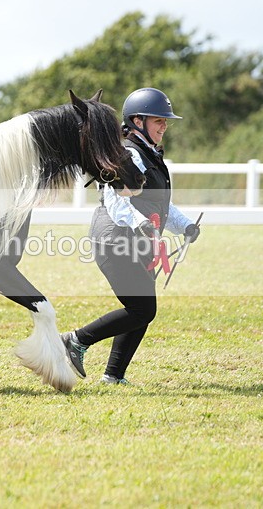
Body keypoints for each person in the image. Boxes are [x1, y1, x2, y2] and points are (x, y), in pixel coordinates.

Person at [61, 87, 200, 385]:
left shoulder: (150, 154)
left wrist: (185, 224)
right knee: (142, 308)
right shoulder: (127, 154)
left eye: (166, 121)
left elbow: (160, 203)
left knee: (142, 309)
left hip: (138, 242)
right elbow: (115, 199)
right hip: (115, 239)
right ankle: (75, 340)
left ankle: (114, 375)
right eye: (158, 120)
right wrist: (139, 223)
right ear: (137, 121)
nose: (164, 126)